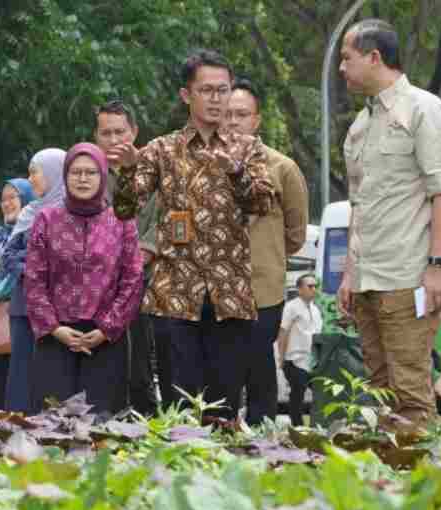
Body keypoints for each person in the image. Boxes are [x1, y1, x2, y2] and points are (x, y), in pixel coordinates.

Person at [109, 49, 275, 421]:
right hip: (174, 296)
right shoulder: (162, 150)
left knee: (223, 408)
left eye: (223, 90)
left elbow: (262, 204)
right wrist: (126, 172)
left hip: (228, 295)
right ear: (187, 95)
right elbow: (125, 210)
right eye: (207, 90)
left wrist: (235, 172)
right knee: (178, 407)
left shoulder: (248, 148)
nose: (217, 99)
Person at [335, 20, 441, 429]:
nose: (341, 68)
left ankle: (422, 485)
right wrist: (348, 275)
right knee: (379, 391)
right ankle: (387, 487)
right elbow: (358, 205)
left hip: (407, 278)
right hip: (367, 279)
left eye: (346, 58)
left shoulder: (424, 110)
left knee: (410, 394)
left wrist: (438, 267)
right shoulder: (359, 126)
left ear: (374, 58)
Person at [24, 143, 144, 414]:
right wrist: (55, 328)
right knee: (51, 424)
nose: (82, 178)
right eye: (76, 172)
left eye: (91, 172)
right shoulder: (46, 219)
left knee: (102, 427)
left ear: (103, 177)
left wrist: (107, 328)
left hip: (105, 338)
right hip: (55, 337)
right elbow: (33, 278)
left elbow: (133, 277)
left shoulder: (121, 220)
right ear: (65, 176)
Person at [224, 77, 309, 425]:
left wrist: (266, 253)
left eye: (241, 114)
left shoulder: (282, 168)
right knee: (222, 373)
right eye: (227, 114)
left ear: (257, 120)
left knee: (260, 367)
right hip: (217, 289)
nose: (233, 122)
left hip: (264, 290)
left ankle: (264, 438)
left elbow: (296, 232)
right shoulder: (205, 165)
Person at [93, 99, 170, 414]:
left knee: (145, 362)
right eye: (106, 133)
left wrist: (145, 251)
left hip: (152, 283)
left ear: (134, 132)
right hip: (102, 283)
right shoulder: (89, 173)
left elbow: (170, 216)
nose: (113, 140)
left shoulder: (157, 171)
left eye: (119, 132)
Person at [0, 148, 66, 412]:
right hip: (24, 306)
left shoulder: (73, 211)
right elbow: (9, 257)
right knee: (22, 375)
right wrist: (37, 268)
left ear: (54, 173)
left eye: (35, 172)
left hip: (61, 307)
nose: (32, 178)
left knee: (54, 374)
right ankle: (16, 433)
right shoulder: (28, 214)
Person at [0, 177, 35, 411]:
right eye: (3, 199)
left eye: (12, 197)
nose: (6, 204)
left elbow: (23, 271)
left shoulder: (35, 230)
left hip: (25, 317)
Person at [278, 274, 322, 425]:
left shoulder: (316, 309)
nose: (314, 289)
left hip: (313, 361)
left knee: (320, 394)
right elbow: (283, 332)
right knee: (297, 396)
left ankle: (316, 426)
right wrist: (281, 359)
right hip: (294, 360)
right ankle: (297, 429)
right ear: (299, 289)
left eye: (315, 286)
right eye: (310, 286)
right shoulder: (291, 307)